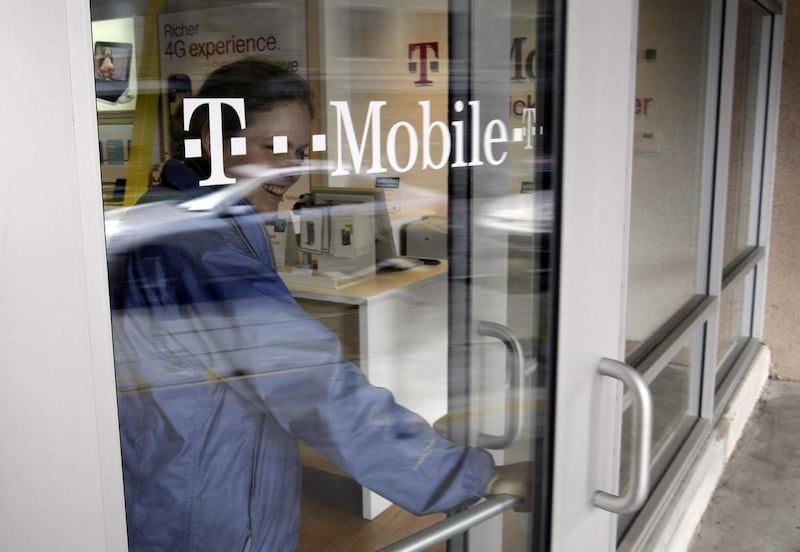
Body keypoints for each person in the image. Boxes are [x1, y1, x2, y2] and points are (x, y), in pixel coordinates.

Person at [107, 57, 528, 552]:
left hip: (179, 481)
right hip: (208, 514)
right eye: (275, 149)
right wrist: (473, 476)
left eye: (301, 151)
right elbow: (314, 384)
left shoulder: (178, 212)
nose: (293, 169)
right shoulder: (201, 247)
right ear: (213, 140)